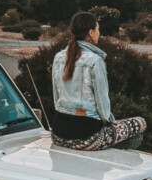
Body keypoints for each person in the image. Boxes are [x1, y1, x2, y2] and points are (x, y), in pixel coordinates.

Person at [49, 11, 146, 151]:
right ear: (91, 32)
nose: (99, 33)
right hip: (87, 138)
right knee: (140, 123)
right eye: (98, 29)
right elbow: (102, 103)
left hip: (58, 134)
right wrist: (110, 123)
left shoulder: (58, 57)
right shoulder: (95, 61)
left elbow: (56, 96)